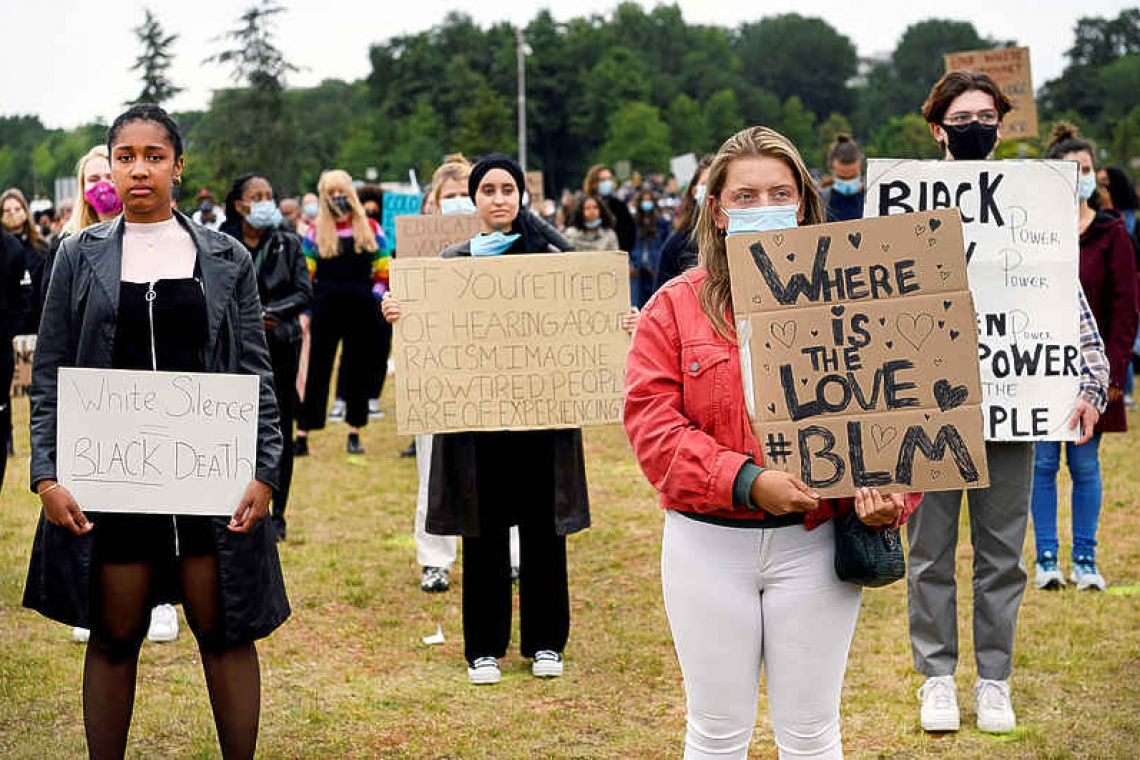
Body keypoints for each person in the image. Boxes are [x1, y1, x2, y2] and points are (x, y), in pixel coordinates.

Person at [624, 125, 920, 759]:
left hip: (814, 546)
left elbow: (905, 409)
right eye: (747, 195)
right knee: (716, 731)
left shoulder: (860, 297)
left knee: (812, 731)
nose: (764, 208)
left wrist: (894, 495)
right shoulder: (674, 308)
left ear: (806, 204)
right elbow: (652, 425)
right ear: (718, 209)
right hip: (707, 546)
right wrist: (746, 479)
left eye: (780, 193)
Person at [24, 103, 287, 759]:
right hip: (112, 480)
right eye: (126, 156)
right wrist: (46, 473)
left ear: (177, 165)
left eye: (154, 156)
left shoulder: (224, 256)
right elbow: (51, 370)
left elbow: (256, 368)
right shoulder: (76, 255)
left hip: (209, 479)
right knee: (114, 634)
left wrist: (265, 469)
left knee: (224, 631)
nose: (140, 168)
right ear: (111, 166)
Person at [382, 153, 637, 685]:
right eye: (489, 190)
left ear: (521, 196)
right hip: (478, 424)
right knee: (484, 531)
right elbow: (431, 333)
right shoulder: (452, 261)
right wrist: (401, 316)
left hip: (543, 417)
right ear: (474, 200)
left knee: (546, 531)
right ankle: (484, 647)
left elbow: (587, 300)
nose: (498, 198)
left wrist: (617, 319)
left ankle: (546, 641)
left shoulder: (548, 255)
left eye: (508, 189)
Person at [909, 70, 1109, 736]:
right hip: (929, 410)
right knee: (930, 551)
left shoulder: (1033, 202)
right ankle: (937, 679)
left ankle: (993, 680)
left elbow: (1064, 299)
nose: (975, 126)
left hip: (1012, 403)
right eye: (962, 117)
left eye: (986, 116)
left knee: (1003, 553)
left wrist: (1091, 380)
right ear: (937, 127)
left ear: (1001, 124)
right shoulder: (907, 201)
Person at [1029, 124, 1139, 591]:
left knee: (1086, 465)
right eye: (1071, 170)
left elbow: (1125, 308)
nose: (1081, 177)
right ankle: (1047, 558)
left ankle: (1086, 559)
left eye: (1088, 170)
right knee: (1041, 466)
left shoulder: (1112, 234)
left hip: (1093, 375)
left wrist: (1113, 374)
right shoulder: (1032, 233)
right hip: (1038, 370)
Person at [221, 174, 313, 542]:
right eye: (255, 196)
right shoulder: (221, 243)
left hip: (280, 342)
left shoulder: (288, 242)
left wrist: (272, 312)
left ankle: (279, 512)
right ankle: (235, 502)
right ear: (239, 204)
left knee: (280, 427)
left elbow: (304, 292)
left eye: (268, 195)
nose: (264, 202)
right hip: (236, 348)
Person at [295, 170, 389, 456]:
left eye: (342, 193)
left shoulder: (371, 228)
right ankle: (303, 433)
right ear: (325, 197)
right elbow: (305, 275)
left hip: (361, 308)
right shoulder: (314, 233)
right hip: (325, 308)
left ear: (351, 195)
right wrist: (307, 310)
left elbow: (383, 271)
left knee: (358, 370)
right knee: (317, 370)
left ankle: (354, 431)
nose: (337, 198)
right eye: (331, 194)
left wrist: (374, 299)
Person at [654, 155, 714, 292]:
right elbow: (660, 299)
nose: (711, 190)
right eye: (705, 184)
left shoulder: (741, 239)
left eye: (716, 183)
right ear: (694, 191)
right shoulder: (676, 244)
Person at [1, 188, 47, 336]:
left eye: (17, 208)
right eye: (7, 210)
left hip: (38, 323)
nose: (12, 213)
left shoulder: (42, 248)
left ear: (25, 211)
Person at [630, 189, 670, 306]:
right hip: (637, 268)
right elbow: (627, 244)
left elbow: (666, 245)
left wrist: (661, 265)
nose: (647, 203)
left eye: (649, 200)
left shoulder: (661, 221)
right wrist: (630, 263)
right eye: (644, 200)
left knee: (656, 303)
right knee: (637, 303)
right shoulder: (633, 221)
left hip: (654, 268)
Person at [583, 164, 635, 253]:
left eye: (609, 179)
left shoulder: (619, 205)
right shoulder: (583, 204)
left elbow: (629, 233)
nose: (607, 183)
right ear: (593, 183)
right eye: (603, 180)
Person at [819, 134, 865, 222]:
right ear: (831, 169)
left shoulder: (871, 198)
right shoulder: (820, 202)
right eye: (842, 177)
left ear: (860, 168)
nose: (847, 182)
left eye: (852, 176)